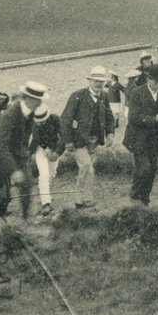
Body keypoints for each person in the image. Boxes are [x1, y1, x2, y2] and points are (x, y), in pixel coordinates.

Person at [0, 82, 46, 224]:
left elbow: (22, 138)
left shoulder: (29, 112)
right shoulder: (10, 114)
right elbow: (0, 144)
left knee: (27, 182)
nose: (40, 103)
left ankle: (26, 219)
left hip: (13, 152)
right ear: (29, 99)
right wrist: (14, 170)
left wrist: (22, 160)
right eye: (38, 100)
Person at [60, 67, 115, 210]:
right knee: (86, 167)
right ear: (89, 81)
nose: (99, 84)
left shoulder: (103, 96)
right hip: (78, 140)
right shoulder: (77, 96)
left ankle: (86, 198)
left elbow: (109, 116)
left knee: (88, 168)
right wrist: (67, 141)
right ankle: (80, 199)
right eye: (96, 81)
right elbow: (65, 119)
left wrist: (110, 133)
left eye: (101, 82)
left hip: (94, 140)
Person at [124, 65, 158, 206]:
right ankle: (135, 195)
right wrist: (154, 119)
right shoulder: (136, 93)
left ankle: (145, 199)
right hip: (138, 137)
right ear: (148, 79)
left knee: (152, 169)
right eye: (156, 82)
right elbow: (133, 117)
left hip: (156, 138)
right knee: (143, 168)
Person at [30, 103, 64, 216]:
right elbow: (35, 139)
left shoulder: (56, 119)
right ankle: (46, 203)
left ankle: (45, 191)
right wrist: (43, 150)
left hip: (54, 148)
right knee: (43, 174)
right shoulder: (35, 123)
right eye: (38, 122)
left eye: (42, 121)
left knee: (52, 173)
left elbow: (64, 137)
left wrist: (57, 152)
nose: (39, 123)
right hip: (41, 149)